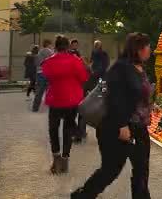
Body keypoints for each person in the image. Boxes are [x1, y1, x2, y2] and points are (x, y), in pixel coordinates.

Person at [72, 33, 153, 199]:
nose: (150, 50)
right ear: (138, 49)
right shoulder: (121, 68)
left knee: (141, 168)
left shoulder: (140, 68)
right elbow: (114, 98)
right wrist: (122, 125)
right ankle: (83, 195)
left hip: (139, 127)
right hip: (118, 127)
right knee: (111, 169)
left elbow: (138, 94)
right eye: (147, 46)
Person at [42, 35, 89, 174]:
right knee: (68, 129)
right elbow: (84, 78)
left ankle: (56, 159)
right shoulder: (76, 61)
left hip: (55, 99)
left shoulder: (48, 62)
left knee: (53, 129)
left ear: (55, 46)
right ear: (68, 47)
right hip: (72, 100)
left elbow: (46, 75)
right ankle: (65, 160)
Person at [75, 40, 110, 143]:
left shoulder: (101, 55)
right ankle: (82, 132)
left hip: (98, 82)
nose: (96, 46)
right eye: (95, 45)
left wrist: (93, 71)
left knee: (91, 108)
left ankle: (82, 133)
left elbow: (102, 67)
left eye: (97, 45)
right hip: (96, 83)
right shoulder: (95, 55)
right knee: (89, 108)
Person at [32, 39, 54, 112]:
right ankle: (51, 108)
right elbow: (53, 61)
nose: (52, 46)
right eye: (51, 44)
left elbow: (36, 63)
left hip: (39, 73)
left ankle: (35, 108)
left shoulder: (40, 52)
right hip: (46, 73)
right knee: (50, 91)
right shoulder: (49, 51)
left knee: (39, 92)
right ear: (48, 44)